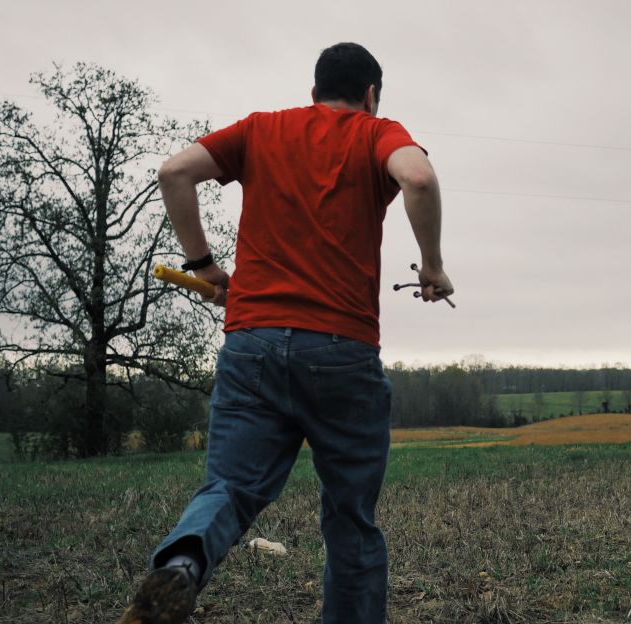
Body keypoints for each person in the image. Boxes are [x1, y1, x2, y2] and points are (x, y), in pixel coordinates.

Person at [118, 42, 453, 624]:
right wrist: (431, 265)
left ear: (313, 91)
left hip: (253, 343)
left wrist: (202, 264)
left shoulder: (260, 130)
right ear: (370, 95)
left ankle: (180, 567)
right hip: (342, 350)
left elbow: (174, 172)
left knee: (230, 488)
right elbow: (419, 179)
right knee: (350, 517)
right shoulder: (376, 132)